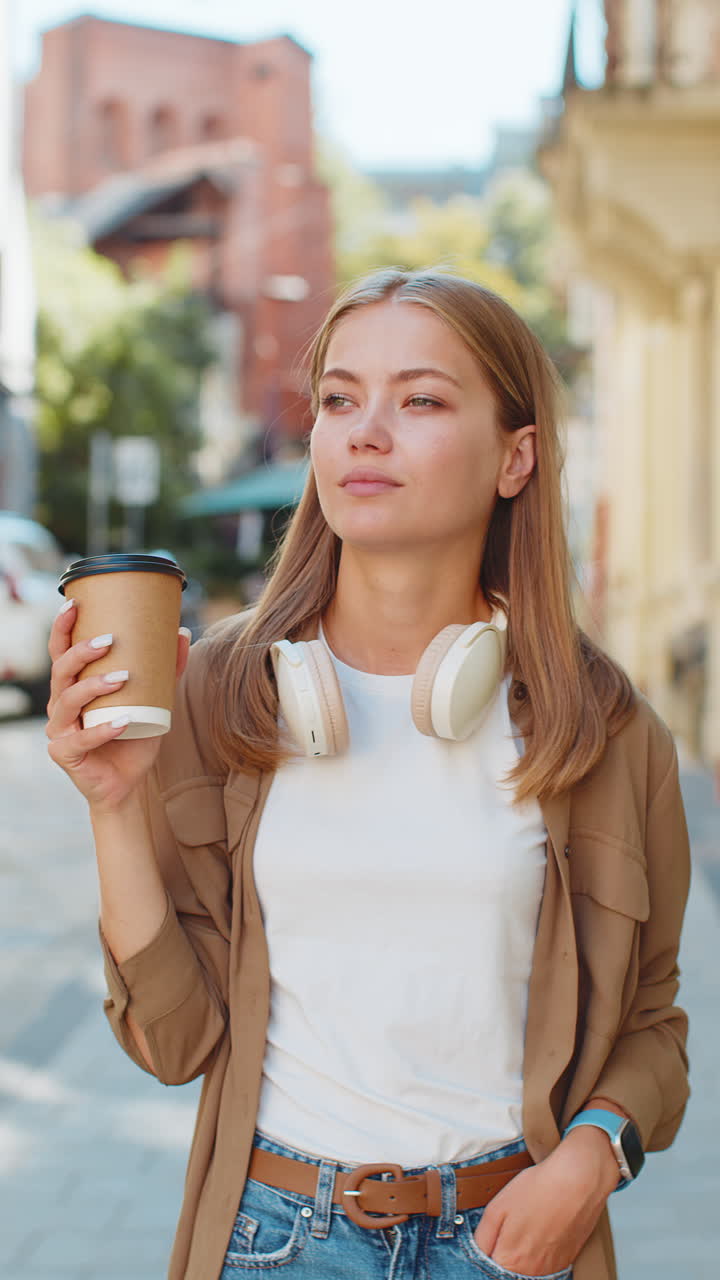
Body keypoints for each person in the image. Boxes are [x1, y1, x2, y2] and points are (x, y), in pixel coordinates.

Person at [46, 269, 690, 1280]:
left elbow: (652, 1022)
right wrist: (115, 806)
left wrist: (592, 1155)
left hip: (512, 1239)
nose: (365, 433)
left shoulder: (603, 726)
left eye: (420, 400)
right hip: (278, 1237)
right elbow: (174, 1045)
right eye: (339, 399)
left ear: (516, 456)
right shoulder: (218, 690)